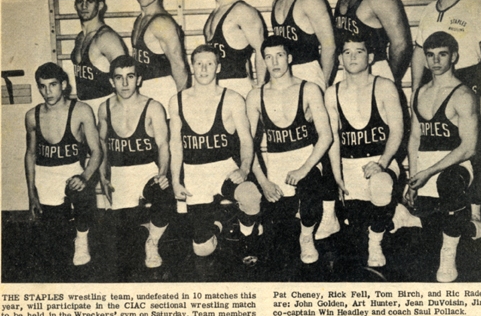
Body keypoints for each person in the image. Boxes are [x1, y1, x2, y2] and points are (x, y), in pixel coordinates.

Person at [406, 32, 481, 282]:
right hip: (427, 165)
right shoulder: (417, 93)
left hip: (457, 165)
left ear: (454, 57)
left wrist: (427, 173)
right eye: (430, 55)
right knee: (432, 234)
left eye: (443, 54)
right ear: (425, 59)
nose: (436, 60)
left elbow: (469, 148)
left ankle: (448, 259)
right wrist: (413, 177)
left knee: (447, 184)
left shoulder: (462, 95)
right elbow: (415, 139)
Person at [411, 0, 481, 221]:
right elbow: (419, 54)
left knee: (473, 148)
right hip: (435, 78)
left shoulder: (476, 10)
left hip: (468, 77)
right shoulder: (428, 11)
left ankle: (478, 210)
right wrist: (415, 90)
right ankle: (440, 202)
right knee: (435, 142)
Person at [272, 0, 339, 241]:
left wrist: (321, 88)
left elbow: (330, 45)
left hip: (310, 74)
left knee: (319, 145)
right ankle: (306, 206)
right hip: (286, 78)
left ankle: (330, 215)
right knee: (297, 143)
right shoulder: (278, 2)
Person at [325, 33, 411, 267]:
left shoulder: (384, 86)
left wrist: (382, 163)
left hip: (381, 160)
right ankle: (394, 215)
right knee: (355, 231)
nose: (352, 57)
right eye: (347, 52)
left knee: (380, 185)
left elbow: (398, 131)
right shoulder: (332, 92)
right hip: (350, 164)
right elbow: (332, 138)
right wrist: (336, 175)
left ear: (371, 57)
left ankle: (376, 244)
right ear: (340, 58)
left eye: (359, 51)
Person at [169, 45, 261, 262]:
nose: (203, 69)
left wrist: (244, 168)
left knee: (251, 195)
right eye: (199, 63)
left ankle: (247, 237)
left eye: (209, 63)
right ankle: (220, 223)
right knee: (202, 248)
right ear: (192, 66)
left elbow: (247, 140)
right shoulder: (177, 100)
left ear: (218, 67)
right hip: (194, 173)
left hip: (224, 168)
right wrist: (175, 181)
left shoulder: (232, 98)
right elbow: (175, 145)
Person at [246, 36, 333, 264]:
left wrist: (304, 169)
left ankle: (307, 236)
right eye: (268, 57)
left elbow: (326, 136)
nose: (274, 62)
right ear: (263, 61)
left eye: (280, 55)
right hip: (276, 167)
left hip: (306, 160)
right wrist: (263, 182)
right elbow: (247, 145)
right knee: (277, 248)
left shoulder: (309, 89)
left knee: (311, 186)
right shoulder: (256, 95)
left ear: (290, 58)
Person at [97, 55, 172, 271]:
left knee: (163, 193)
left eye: (130, 77)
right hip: (120, 174)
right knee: (125, 247)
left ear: (138, 79)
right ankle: (144, 227)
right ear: (111, 81)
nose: (125, 83)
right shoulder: (105, 108)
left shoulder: (153, 107)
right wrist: (103, 176)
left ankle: (153, 242)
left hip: (147, 171)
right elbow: (101, 144)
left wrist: (163, 173)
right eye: (119, 78)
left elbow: (164, 146)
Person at [25, 62, 102, 266]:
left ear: (64, 85)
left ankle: (83, 239)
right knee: (54, 249)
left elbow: (97, 151)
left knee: (81, 191)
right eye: (42, 86)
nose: (47, 91)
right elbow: (31, 155)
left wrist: (85, 177)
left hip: (72, 172)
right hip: (46, 176)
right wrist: (31, 194)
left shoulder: (81, 110)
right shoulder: (32, 116)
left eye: (52, 85)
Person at [204, 0, 267, 97]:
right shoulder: (213, 14)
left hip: (237, 85)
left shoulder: (243, 11)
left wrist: (260, 89)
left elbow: (261, 49)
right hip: (214, 86)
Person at [131, 0, 189, 114]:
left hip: (162, 90)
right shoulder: (140, 20)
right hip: (143, 90)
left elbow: (179, 65)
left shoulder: (162, 23)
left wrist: (182, 104)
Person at [71, 0, 128, 114]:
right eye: (80, 2)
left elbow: (126, 78)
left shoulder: (107, 38)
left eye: (90, 1)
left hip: (107, 108)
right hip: (84, 107)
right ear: (75, 6)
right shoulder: (80, 38)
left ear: (100, 5)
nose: (84, 6)